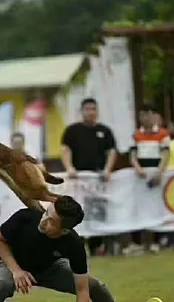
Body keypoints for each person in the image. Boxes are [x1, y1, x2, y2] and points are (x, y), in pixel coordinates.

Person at [0, 196, 114, 302]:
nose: (43, 220)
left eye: (52, 221)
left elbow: (83, 290)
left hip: (49, 268)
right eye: (46, 213)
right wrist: (16, 270)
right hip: (9, 262)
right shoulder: (25, 217)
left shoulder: (74, 243)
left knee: (95, 287)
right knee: (3, 286)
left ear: (64, 231)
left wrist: (83, 297)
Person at [60, 98, 117, 255]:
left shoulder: (105, 131)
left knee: (97, 213)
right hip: (78, 181)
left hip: (97, 180)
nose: (90, 112)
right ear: (82, 111)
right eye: (87, 109)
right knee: (76, 212)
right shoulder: (72, 130)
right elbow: (65, 149)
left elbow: (111, 151)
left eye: (93, 109)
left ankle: (97, 246)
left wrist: (107, 169)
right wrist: (69, 168)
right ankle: (75, 246)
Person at [128, 104, 170, 254]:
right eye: (143, 115)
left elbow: (166, 154)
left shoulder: (163, 134)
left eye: (149, 114)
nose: (146, 118)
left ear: (154, 116)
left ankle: (157, 241)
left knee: (156, 206)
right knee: (138, 206)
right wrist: (137, 168)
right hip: (140, 175)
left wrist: (160, 172)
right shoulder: (136, 135)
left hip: (156, 173)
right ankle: (137, 242)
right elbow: (132, 155)